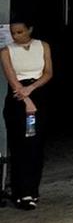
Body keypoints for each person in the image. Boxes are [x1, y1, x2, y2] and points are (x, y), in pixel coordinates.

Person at [1, 18, 53, 210]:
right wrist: (26, 98)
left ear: (30, 29)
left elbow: (48, 72)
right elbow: (12, 78)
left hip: (37, 92)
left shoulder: (43, 46)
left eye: (20, 32)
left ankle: (33, 189)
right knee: (20, 145)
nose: (16, 36)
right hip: (18, 97)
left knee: (36, 145)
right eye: (14, 33)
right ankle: (21, 192)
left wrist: (32, 88)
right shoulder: (6, 51)